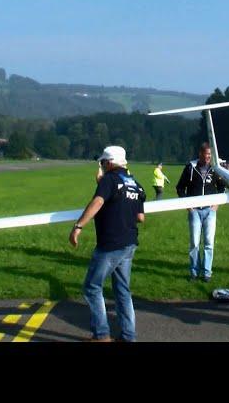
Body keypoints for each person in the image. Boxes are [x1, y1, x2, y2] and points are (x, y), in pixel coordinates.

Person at [69, 145, 146, 342]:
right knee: (122, 290)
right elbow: (140, 217)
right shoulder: (136, 184)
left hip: (111, 243)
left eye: (103, 162)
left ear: (110, 163)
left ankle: (101, 335)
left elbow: (97, 202)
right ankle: (129, 336)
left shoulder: (109, 180)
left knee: (92, 287)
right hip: (130, 242)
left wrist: (78, 226)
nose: (102, 166)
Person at [176, 142, 226, 282]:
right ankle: (194, 271)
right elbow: (180, 188)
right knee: (195, 242)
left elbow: (222, 187)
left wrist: (216, 204)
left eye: (210, 154)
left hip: (210, 210)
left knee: (209, 242)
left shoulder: (215, 169)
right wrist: (188, 206)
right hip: (195, 211)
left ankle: (207, 272)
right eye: (206, 154)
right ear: (200, 154)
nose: (208, 157)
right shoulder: (190, 168)